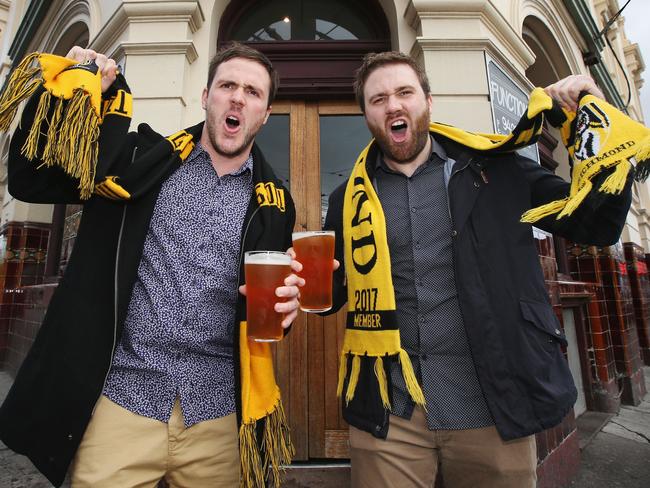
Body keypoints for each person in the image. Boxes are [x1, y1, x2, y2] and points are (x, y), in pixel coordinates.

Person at [322, 51, 633, 488]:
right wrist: (305, 292)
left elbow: (595, 223)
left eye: (405, 92)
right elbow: (333, 292)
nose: (393, 105)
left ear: (428, 101)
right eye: (378, 99)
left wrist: (596, 124)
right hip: (390, 412)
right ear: (366, 115)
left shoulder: (496, 168)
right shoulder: (346, 199)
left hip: (491, 405)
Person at [0, 43, 302, 487]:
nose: (238, 98)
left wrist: (288, 308)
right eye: (227, 85)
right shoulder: (140, 162)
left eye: (253, 92)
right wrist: (75, 93)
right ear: (206, 97)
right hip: (123, 402)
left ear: (265, 114)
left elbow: (266, 313)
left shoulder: (275, 206)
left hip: (217, 416)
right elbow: (31, 176)